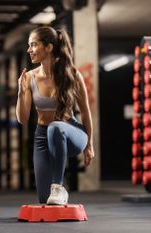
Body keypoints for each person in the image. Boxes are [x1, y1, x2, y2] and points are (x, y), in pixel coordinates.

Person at [16, 26, 95, 205]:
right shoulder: (29, 78)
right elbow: (23, 119)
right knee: (45, 200)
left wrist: (89, 144)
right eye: (29, 45)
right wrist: (20, 93)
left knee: (56, 127)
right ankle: (56, 190)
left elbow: (85, 112)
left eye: (33, 45)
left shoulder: (72, 75)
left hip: (72, 133)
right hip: (42, 137)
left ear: (48, 47)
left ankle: (58, 186)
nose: (29, 50)